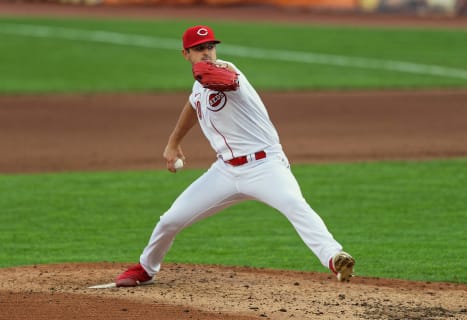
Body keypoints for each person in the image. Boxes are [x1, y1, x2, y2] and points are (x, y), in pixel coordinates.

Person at [115, 25, 355, 287]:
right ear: (185, 53)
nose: (207, 52)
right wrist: (173, 142)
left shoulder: (228, 70)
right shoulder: (198, 87)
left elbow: (224, 80)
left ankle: (334, 257)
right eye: (199, 49)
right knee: (171, 220)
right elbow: (194, 105)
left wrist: (207, 69)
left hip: (265, 165)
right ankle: (146, 268)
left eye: (210, 47)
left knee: (294, 204)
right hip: (225, 172)